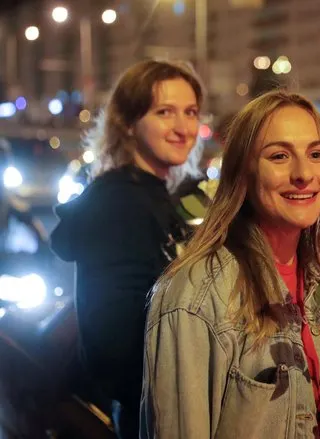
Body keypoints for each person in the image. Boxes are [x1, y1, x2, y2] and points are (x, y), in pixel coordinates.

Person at [140, 90, 320, 439]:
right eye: (279, 156)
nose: (304, 173)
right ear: (243, 172)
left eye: (317, 153)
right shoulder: (194, 297)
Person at [49, 59, 205, 439]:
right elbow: (112, 340)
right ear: (130, 123)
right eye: (164, 112)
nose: (183, 127)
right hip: (152, 416)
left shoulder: (158, 195)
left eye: (190, 112)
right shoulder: (118, 203)